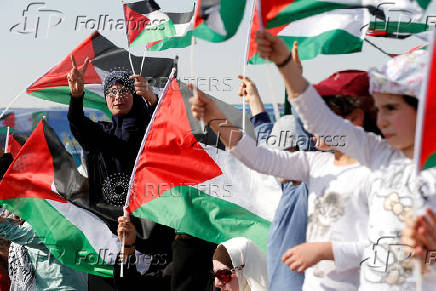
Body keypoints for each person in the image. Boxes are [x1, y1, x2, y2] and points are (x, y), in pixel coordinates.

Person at [254, 31, 436, 290]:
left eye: (391, 108)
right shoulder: (378, 155)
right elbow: (321, 122)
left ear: (425, 107)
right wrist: (286, 67)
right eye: (379, 108)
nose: (382, 120)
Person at [67, 56, 174, 289]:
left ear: (135, 95)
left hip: (153, 237)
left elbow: (169, 131)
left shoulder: (150, 129)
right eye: (111, 92)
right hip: (111, 236)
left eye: (124, 90)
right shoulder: (101, 135)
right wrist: (76, 96)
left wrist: (153, 100)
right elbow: (78, 124)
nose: (117, 97)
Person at [238, 74, 308, 291]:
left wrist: (293, 78)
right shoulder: (287, 183)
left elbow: (306, 141)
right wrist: (254, 98)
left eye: (283, 153)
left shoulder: (310, 188)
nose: (275, 159)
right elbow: (265, 134)